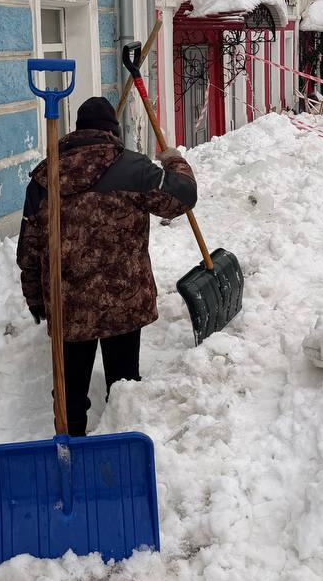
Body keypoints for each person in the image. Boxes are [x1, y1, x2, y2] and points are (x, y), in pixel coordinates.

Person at [17, 95, 197, 435]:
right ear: (112, 133)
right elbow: (182, 197)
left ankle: (71, 452)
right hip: (123, 304)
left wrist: (38, 302)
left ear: (78, 131)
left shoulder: (45, 177)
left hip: (68, 307)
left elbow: (30, 249)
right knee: (124, 386)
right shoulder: (134, 168)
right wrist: (175, 162)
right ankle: (123, 446)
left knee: (69, 396)